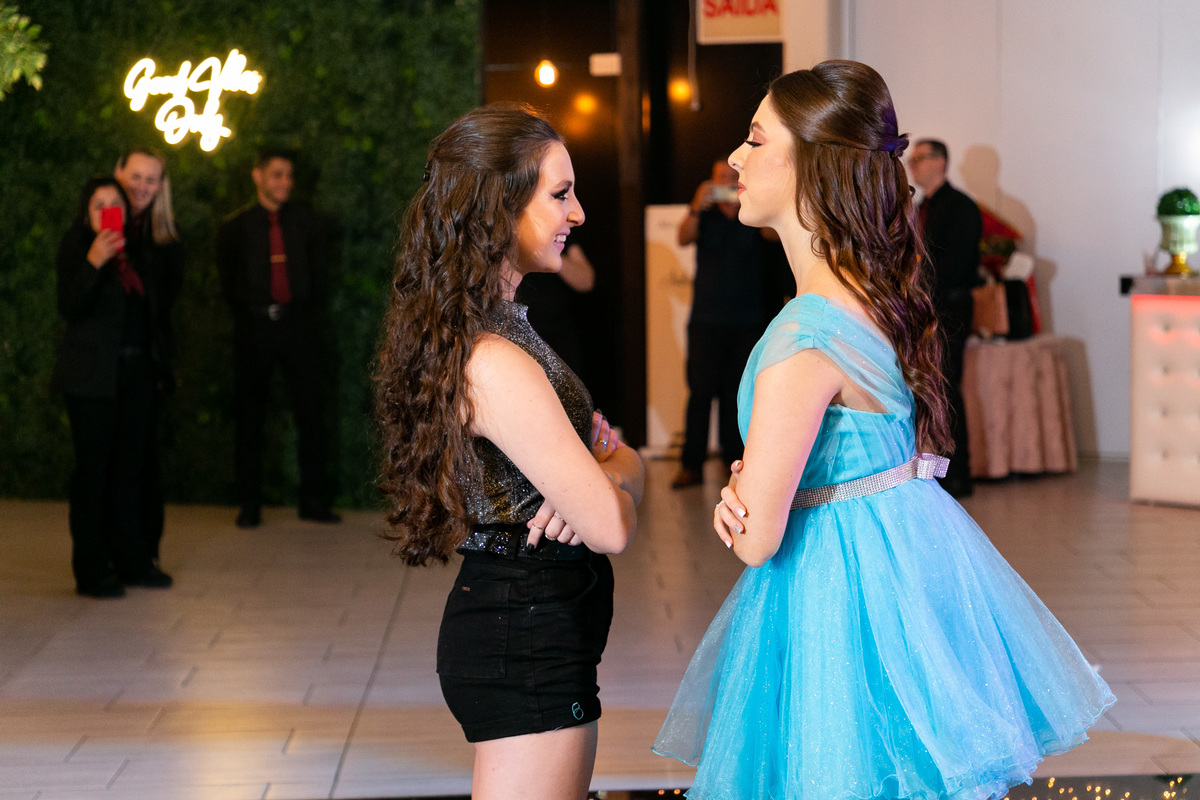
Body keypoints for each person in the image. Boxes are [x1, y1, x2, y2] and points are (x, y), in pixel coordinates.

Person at [653, 61, 1113, 800]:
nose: (735, 158)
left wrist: (735, 503)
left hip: (835, 597)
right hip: (903, 572)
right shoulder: (876, 300)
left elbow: (758, 540)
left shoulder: (803, 339)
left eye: (755, 140)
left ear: (812, 168)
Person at [374, 104, 644, 800]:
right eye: (560, 194)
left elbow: (622, 468)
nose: (577, 213)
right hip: (524, 631)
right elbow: (611, 525)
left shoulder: (504, 329)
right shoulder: (493, 358)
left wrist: (611, 470)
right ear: (499, 206)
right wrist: (610, 475)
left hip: (536, 622)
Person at [52, 177, 175, 597]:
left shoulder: (138, 252)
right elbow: (70, 307)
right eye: (99, 205)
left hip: (136, 374)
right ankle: (91, 568)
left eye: (115, 204)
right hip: (91, 378)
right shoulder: (77, 248)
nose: (109, 211)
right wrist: (93, 262)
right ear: (86, 213)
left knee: (129, 471)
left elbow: (153, 314)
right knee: (94, 473)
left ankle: (131, 560)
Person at [217, 148, 339, 528]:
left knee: (311, 413)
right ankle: (249, 503)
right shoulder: (235, 228)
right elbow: (227, 282)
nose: (285, 182)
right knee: (249, 416)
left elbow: (319, 277)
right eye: (277, 175)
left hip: (298, 325)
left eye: (289, 175)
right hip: (254, 327)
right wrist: (249, 314)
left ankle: (313, 500)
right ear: (258, 176)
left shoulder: (309, 223)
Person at [671, 160, 783, 490]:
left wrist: (755, 199)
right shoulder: (704, 214)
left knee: (739, 394)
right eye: (722, 178)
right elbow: (682, 237)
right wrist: (696, 205)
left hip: (748, 321)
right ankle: (691, 465)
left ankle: (732, 462)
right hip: (706, 321)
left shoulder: (752, 214)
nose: (728, 183)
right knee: (700, 393)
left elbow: (773, 235)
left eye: (733, 178)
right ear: (711, 181)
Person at [114, 148, 185, 568]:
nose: (141, 186)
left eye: (151, 179)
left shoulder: (166, 241)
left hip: (145, 363)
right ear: (118, 173)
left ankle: (144, 554)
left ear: (161, 187)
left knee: (142, 461)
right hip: (102, 364)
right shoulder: (96, 230)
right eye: (135, 176)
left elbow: (163, 310)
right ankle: (112, 552)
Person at [907, 138, 983, 497]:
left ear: (940, 162)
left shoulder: (961, 207)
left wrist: (920, 291)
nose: (912, 165)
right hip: (924, 309)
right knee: (928, 389)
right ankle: (934, 468)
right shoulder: (920, 207)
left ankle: (957, 472)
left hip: (949, 309)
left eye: (919, 158)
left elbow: (953, 265)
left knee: (947, 386)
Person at [514, 241, 594, 378]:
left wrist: (549, 253)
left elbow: (586, 281)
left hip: (557, 336)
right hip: (517, 336)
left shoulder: (560, 236)